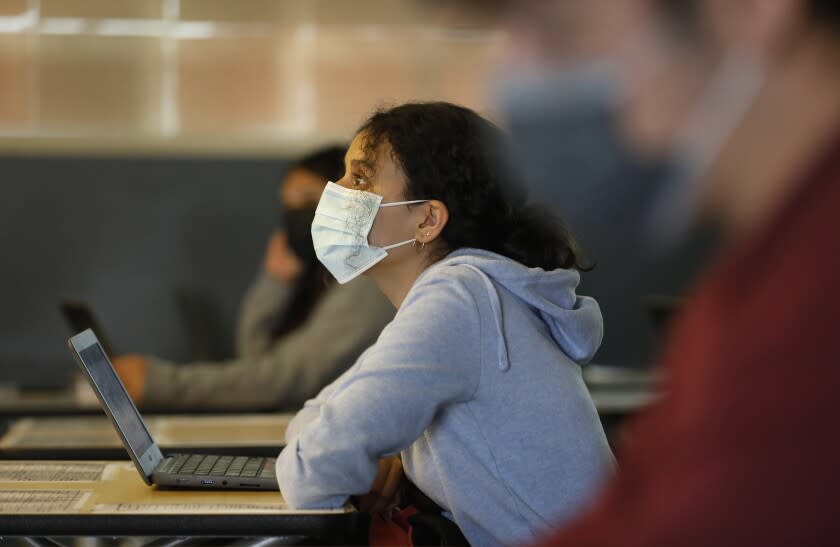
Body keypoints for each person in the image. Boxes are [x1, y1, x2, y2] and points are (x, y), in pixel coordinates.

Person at [454, 0, 840, 544]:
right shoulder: (750, 285)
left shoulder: (813, 310)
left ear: (752, 11)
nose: (516, 77)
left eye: (560, 31)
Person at [275, 102, 614, 546]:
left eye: (359, 179)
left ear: (428, 220)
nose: (333, 191)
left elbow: (311, 470)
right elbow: (319, 421)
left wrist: (359, 451)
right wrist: (376, 451)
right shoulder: (464, 293)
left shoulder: (457, 299)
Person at [113, 147, 395, 411]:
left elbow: (283, 380)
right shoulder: (322, 280)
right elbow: (259, 365)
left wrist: (159, 383)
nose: (297, 218)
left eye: (309, 202)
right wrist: (275, 283)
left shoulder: (368, 281)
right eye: (289, 207)